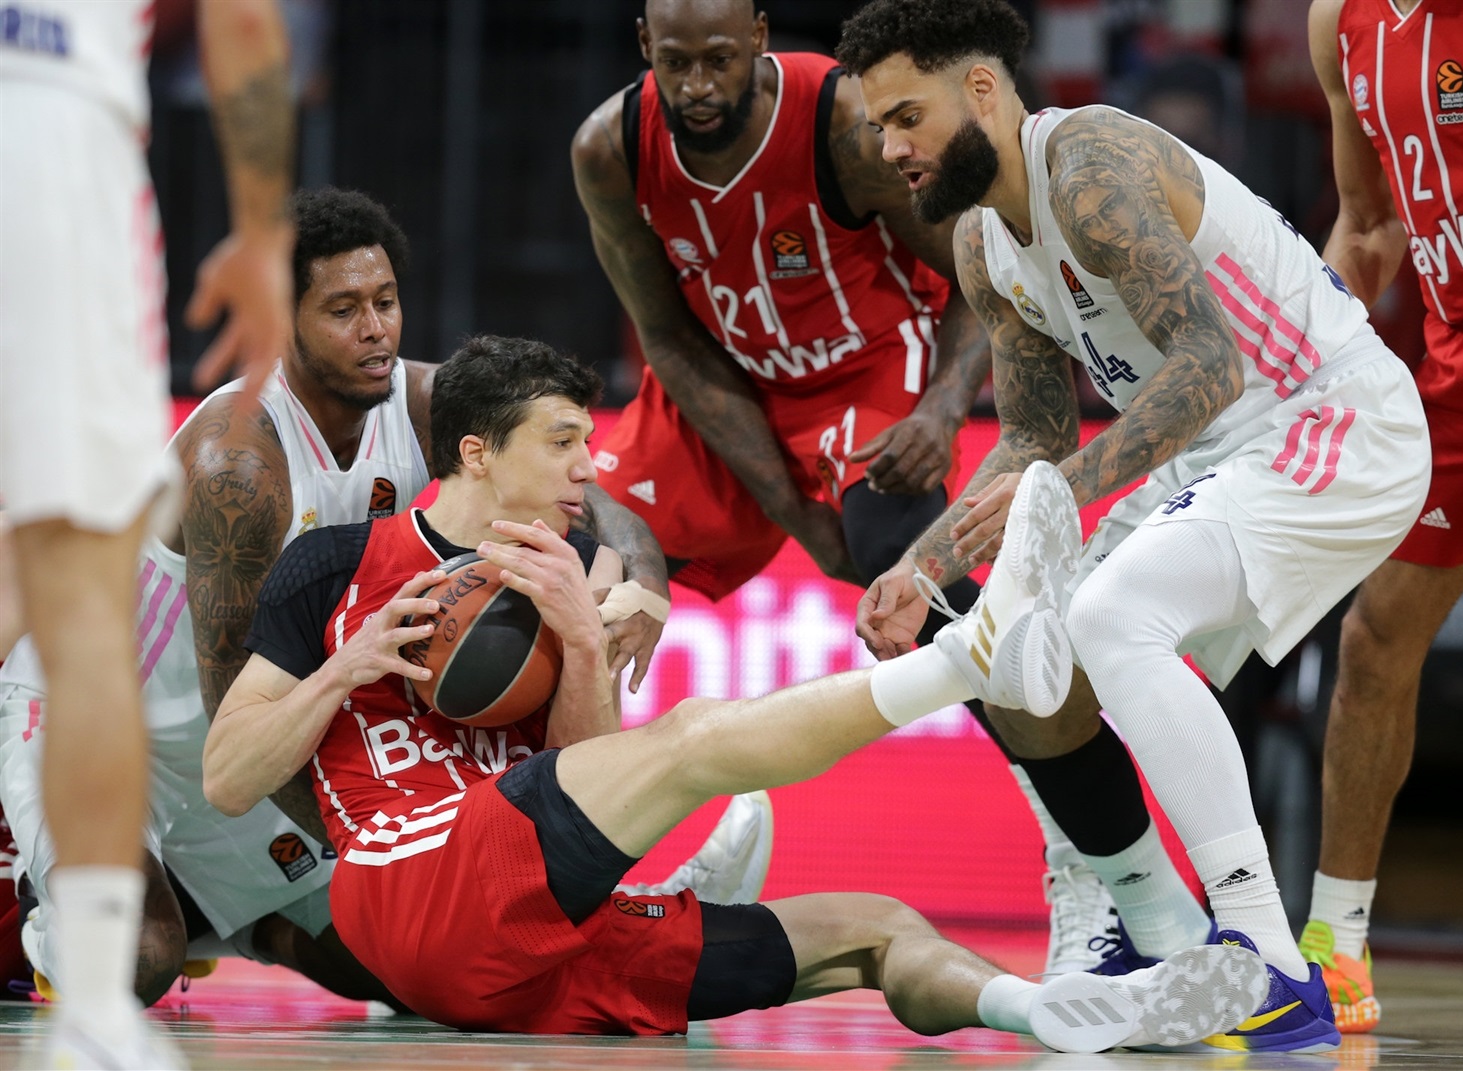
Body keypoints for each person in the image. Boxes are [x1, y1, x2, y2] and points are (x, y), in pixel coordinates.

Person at [200, 333, 1269, 1050]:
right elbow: (229, 779)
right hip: (404, 880)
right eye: (563, 443)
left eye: (590, 442)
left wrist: (581, 640)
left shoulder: (573, 574)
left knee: (876, 927)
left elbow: (577, 780)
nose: (589, 468)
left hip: (530, 936)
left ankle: (1057, 1011)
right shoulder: (339, 565)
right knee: (693, 737)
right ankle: (969, 657)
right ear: (477, 454)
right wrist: (347, 666)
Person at [0, 187, 767, 1017]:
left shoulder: (422, 403)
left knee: (425, 974)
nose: (375, 329)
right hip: (106, 731)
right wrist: (406, 860)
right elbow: (234, 712)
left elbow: (595, 497)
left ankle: (648, 910)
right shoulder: (240, 464)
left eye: (386, 301)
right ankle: (67, 914)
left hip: (239, 756)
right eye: (343, 310)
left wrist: (644, 583)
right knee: (137, 961)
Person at [838, 0, 1432, 1054]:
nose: (890, 150)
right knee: (1021, 655)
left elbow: (1210, 366)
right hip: (1217, 453)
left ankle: (1267, 960)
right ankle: (1151, 926)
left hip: (1330, 416)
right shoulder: (982, 241)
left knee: (1113, 613)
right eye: (879, 127)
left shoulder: (1089, 166)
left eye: (907, 117)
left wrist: (1056, 495)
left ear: (982, 90)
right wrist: (922, 567)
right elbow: (1033, 440)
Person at [573, 0, 1200, 978]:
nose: (698, 86)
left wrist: (946, 410)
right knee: (575, 569)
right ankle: (566, 884)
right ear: (645, 46)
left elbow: (980, 271)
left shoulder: (842, 125)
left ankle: (1091, 866)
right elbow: (666, 336)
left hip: (865, 371)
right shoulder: (609, 150)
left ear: (759, 38)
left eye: (720, 60)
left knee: (928, 589)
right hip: (721, 388)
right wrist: (791, 506)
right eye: (677, 62)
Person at [1, 1, 296, 1065]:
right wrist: (263, 232)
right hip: (47, 119)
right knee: (83, 607)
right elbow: (242, 20)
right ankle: (90, 1013)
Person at [1302, 0, 1463, 1034]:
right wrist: (1293, 357)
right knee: (1374, 639)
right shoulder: (1340, 22)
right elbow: (1371, 226)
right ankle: (1336, 945)